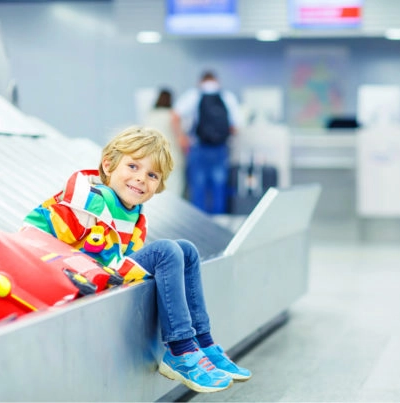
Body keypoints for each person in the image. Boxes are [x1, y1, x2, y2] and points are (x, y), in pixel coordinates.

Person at [23, 126, 251, 393]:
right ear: (108, 165)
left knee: (186, 250)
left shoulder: (133, 214)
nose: (141, 178)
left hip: (103, 272)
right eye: (133, 166)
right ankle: (180, 350)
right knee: (166, 250)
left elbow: (122, 258)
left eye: (152, 174)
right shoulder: (85, 205)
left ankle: (204, 343)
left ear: (159, 184)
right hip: (69, 277)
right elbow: (34, 237)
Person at [172, 70, 242, 214]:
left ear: (200, 81)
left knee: (198, 187)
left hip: (198, 147)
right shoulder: (227, 96)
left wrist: (182, 137)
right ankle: (220, 221)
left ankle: (199, 223)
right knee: (219, 187)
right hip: (220, 149)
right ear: (217, 81)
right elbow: (235, 127)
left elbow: (175, 116)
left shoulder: (193, 95)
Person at [143, 88, 188, 198]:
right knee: (174, 190)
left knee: (155, 188)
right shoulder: (173, 115)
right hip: (172, 157)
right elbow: (182, 138)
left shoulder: (150, 115)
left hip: (153, 157)